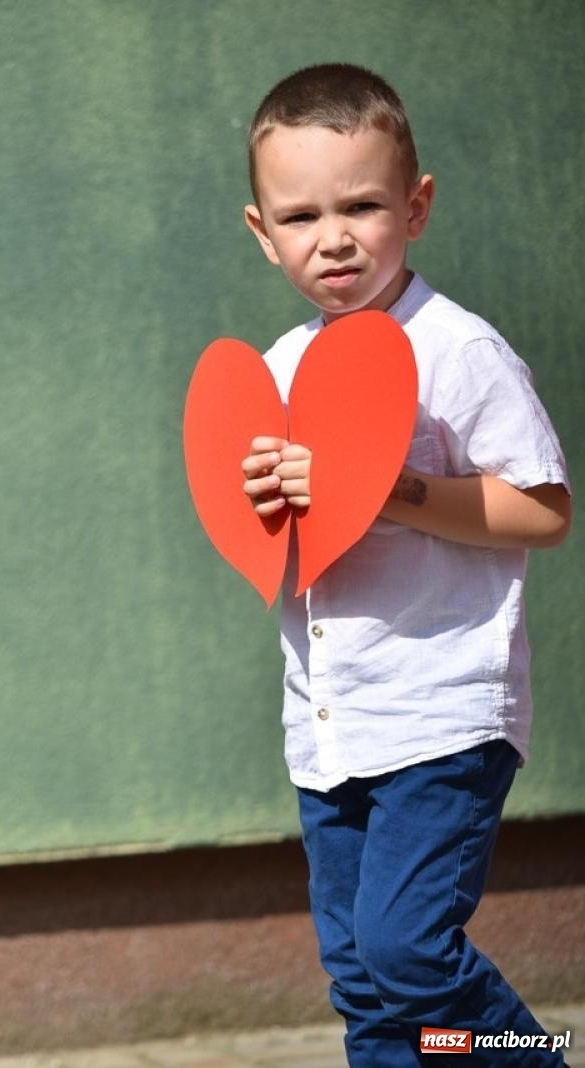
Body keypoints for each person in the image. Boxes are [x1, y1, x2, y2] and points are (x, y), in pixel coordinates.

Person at [238, 64, 570, 1066]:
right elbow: (288, 544)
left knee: (409, 949)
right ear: (261, 232)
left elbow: (543, 509)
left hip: (440, 710)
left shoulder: (457, 352)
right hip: (331, 718)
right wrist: (265, 506)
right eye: (300, 216)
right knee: (362, 977)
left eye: (362, 205)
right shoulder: (280, 366)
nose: (332, 236)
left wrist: (386, 489)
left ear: (414, 207)